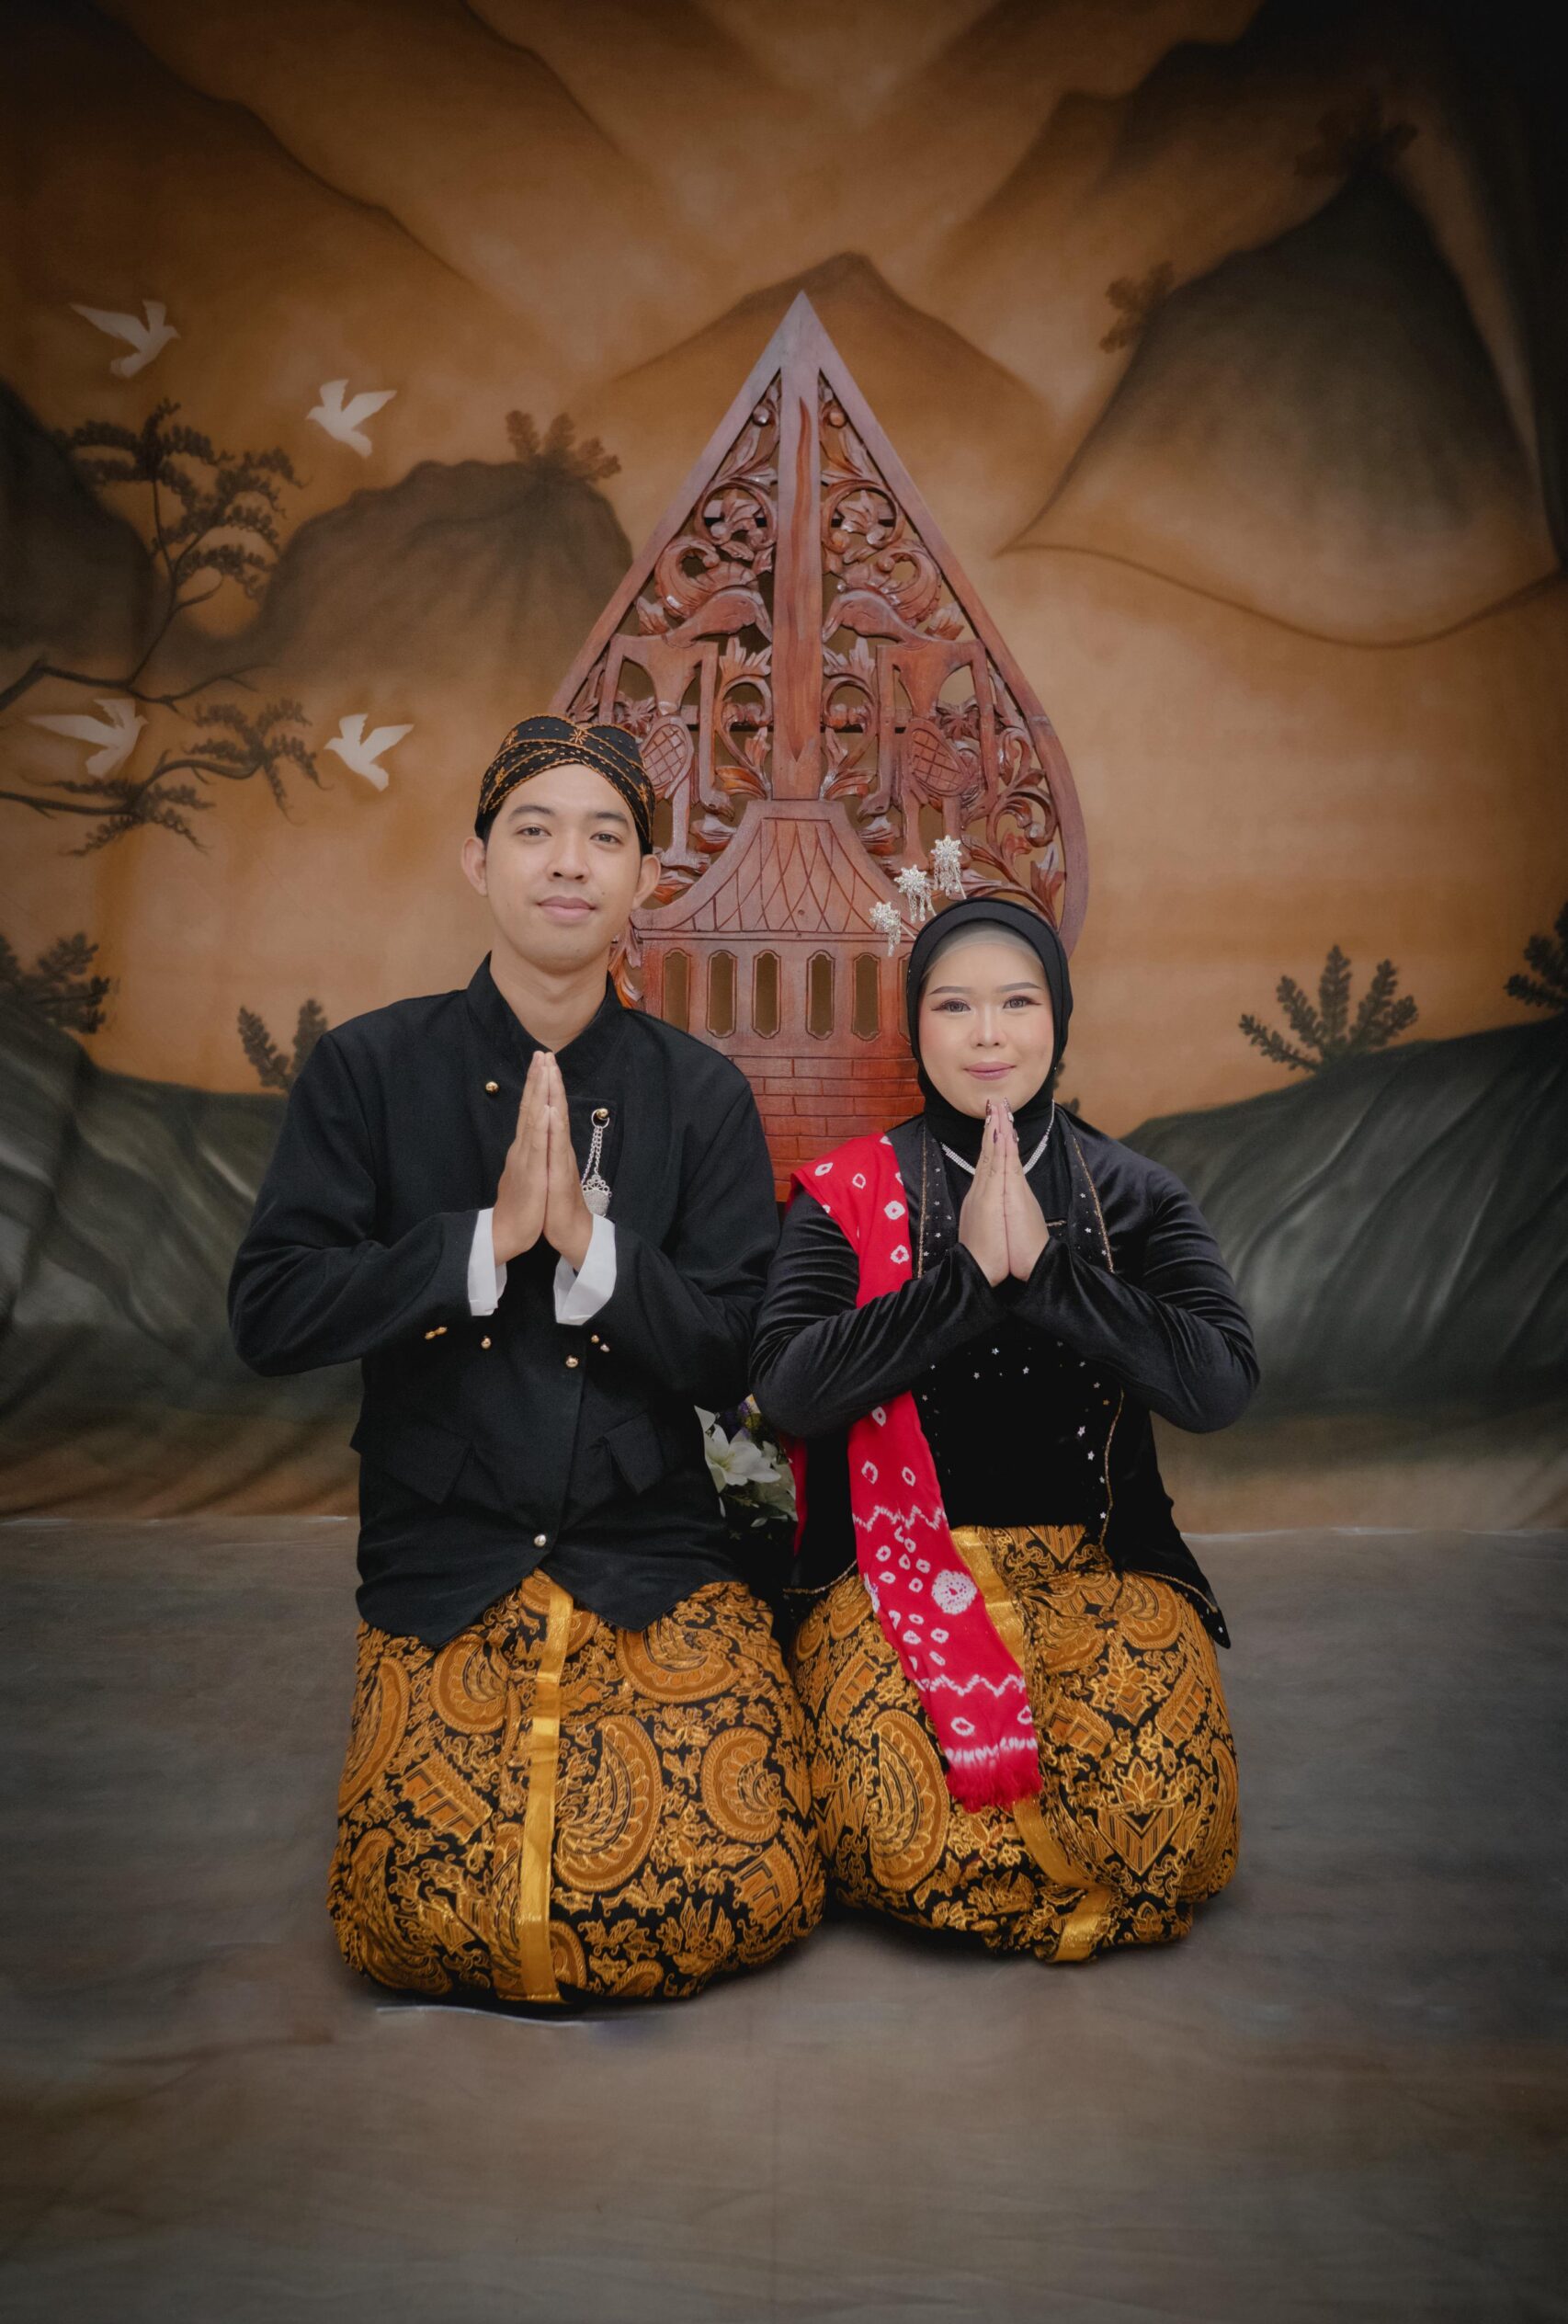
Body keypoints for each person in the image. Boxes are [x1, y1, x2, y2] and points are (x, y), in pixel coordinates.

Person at [231, 714, 824, 2003]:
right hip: (445, 1549)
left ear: (644, 879)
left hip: (652, 1543)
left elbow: (737, 1354)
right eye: (533, 831)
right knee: (417, 1911)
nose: (567, 862)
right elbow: (270, 1313)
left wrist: (593, 1252)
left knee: (745, 1878)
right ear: (477, 861)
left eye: (604, 837)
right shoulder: (369, 1068)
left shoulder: (699, 1093)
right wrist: (486, 1241)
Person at [750, 896, 1257, 1963]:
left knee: (1159, 1813)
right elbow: (788, 1390)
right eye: (953, 1006)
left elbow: (1216, 1387)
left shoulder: (1135, 1194)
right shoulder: (845, 1195)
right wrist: (969, 1280)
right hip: (888, 1577)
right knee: (898, 1828)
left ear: (1056, 1019)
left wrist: (1055, 1277)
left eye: (1016, 1002)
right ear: (914, 1026)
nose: (987, 1034)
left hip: (1098, 1569)